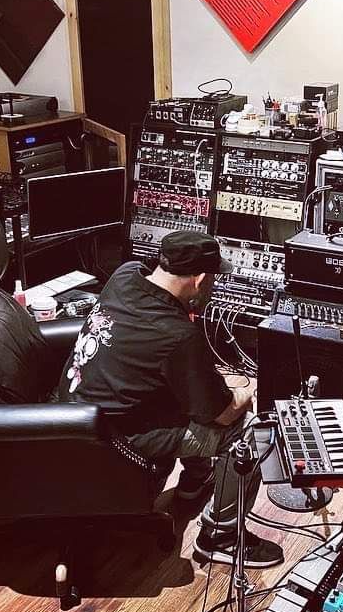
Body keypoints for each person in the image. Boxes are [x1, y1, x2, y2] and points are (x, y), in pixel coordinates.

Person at [56, 231, 283, 568]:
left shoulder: (125, 275)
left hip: (72, 413)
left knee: (187, 390)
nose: (213, 288)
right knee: (252, 432)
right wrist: (247, 393)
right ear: (200, 279)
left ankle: (194, 483)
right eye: (213, 280)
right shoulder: (178, 335)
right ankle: (220, 537)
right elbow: (222, 414)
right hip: (117, 437)